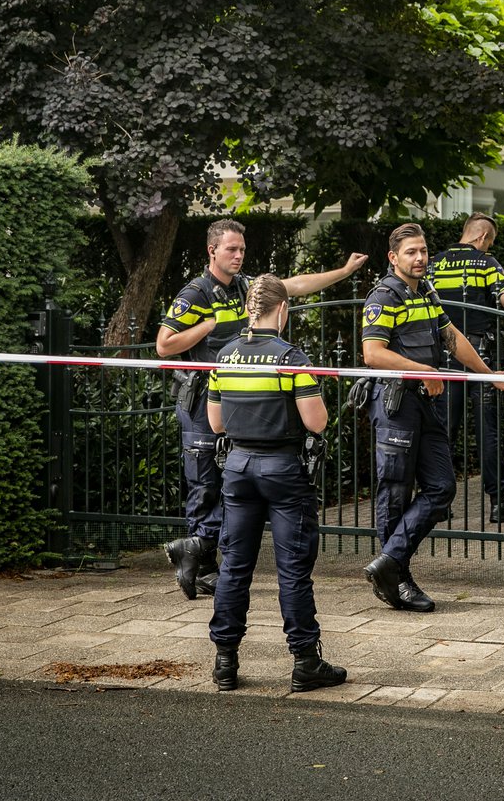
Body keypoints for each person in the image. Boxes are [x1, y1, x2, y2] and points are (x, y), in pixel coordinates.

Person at [156, 218, 366, 599]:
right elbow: (163, 345)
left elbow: (294, 285)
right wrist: (206, 327)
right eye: (231, 249)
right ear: (212, 251)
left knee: (224, 483)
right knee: (205, 485)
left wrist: (343, 272)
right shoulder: (196, 293)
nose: (238, 255)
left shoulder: (244, 286)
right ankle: (202, 562)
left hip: (233, 398)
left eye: (242, 249)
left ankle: (199, 558)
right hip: (202, 399)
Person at [205, 274, 347, 693]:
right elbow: (316, 422)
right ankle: (305, 661)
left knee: (234, 566)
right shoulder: (291, 358)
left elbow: (216, 423)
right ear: (283, 309)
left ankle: (225, 662)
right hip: (284, 470)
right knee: (293, 570)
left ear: (248, 309)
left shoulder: (224, 356)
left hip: (237, 469)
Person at [361, 223, 504, 612]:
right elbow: (373, 353)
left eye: (423, 250)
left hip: (424, 403)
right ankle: (398, 579)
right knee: (395, 492)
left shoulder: (425, 291)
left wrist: (488, 375)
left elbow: (452, 337)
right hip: (396, 403)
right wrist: (424, 371)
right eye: (411, 252)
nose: (420, 258)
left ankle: (389, 563)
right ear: (393, 257)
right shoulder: (384, 295)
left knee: (442, 486)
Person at [428, 212, 504, 523]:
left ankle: (439, 502)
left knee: (444, 431)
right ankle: (499, 503)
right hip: (481, 357)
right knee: (488, 431)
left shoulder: (435, 263)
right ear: (483, 237)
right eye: (490, 242)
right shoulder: (485, 262)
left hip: (445, 357)